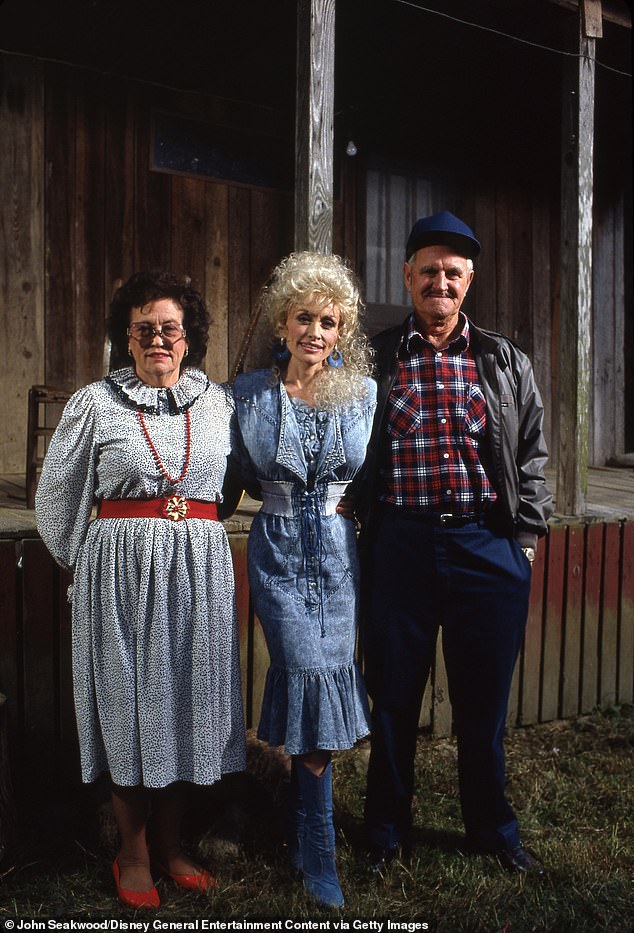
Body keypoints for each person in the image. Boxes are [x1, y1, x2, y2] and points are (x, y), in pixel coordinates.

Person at [35, 272, 246, 909]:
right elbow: (55, 498)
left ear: (189, 338)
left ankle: (173, 843)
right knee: (128, 709)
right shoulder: (94, 405)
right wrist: (90, 564)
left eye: (170, 328)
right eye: (143, 328)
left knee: (185, 703)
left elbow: (231, 481)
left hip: (198, 578)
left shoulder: (219, 404)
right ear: (126, 340)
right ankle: (132, 852)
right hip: (119, 580)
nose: (158, 338)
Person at [357, 211, 553, 876]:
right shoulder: (376, 357)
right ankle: (384, 833)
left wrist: (522, 542)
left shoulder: (502, 360)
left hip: (485, 547)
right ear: (408, 276)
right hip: (400, 547)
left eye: (453, 272)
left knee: (482, 705)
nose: (439, 282)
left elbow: (532, 455)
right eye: (428, 270)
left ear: (468, 282)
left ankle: (492, 830)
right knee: (393, 700)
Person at [230, 251, 376, 908]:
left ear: (341, 328)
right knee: (306, 673)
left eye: (328, 320)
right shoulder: (248, 396)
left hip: (339, 557)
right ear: (281, 323)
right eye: (303, 318)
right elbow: (226, 479)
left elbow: (380, 478)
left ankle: (305, 834)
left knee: (322, 680)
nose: (315, 331)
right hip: (280, 552)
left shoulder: (365, 393)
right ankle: (317, 846)